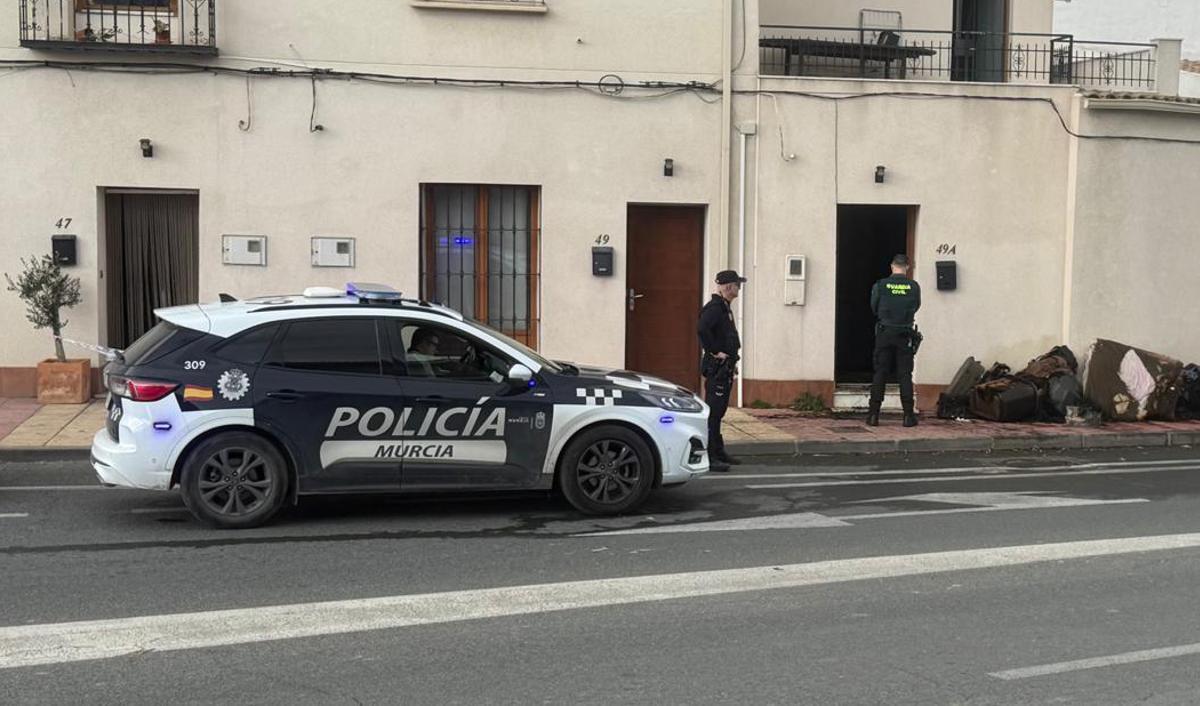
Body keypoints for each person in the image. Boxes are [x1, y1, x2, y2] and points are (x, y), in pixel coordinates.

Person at [697, 270, 746, 472]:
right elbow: (702, 329)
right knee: (714, 412)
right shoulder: (715, 308)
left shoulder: (725, 307)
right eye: (737, 285)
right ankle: (710, 456)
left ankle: (718, 451)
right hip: (717, 368)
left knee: (719, 411)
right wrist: (715, 351)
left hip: (725, 368)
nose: (739, 289)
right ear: (728, 287)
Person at [868, 254, 921, 428]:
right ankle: (908, 416)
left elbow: (874, 307)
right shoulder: (913, 287)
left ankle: (873, 415)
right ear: (907, 267)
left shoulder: (881, 285)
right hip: (904, 333)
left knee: (880, 373)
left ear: (892, 266)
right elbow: (916, 306)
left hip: (885, 333)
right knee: (905, 375)